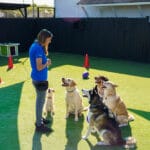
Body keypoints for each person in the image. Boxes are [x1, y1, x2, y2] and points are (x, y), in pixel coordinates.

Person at [29, 29, 53, 133]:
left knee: (40, 101)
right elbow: (39, 67)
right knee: (40, 102)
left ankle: (40, 120)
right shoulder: (38, 49)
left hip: (38, 79)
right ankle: (39, 125)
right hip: (39, 80)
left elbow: (40, 62)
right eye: (49, 39)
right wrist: (46, 64)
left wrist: (45, 61)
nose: (50, 41)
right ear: (44, 38)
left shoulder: (36, 45)